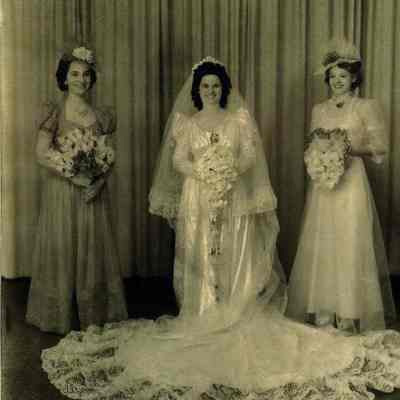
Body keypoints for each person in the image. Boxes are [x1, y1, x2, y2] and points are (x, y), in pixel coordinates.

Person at [40, 57, 399, 400]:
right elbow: (178, 159)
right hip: (198, 197)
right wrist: (202, 170)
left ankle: (236, 307)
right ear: (197, 90)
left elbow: (249, 156)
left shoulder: (238, 119)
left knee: (234, 252)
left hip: (234, 196)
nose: (210, 91)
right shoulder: (186, 122)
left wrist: (228, 169)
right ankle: (203, 310)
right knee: (200, 255)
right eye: (205, 86)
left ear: (223, 89)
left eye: (215, 86)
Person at [287, 39, 396, 333]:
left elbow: (380, 147)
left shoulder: (365, 107)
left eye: (343, 76)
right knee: (324, 241)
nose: (337, 81)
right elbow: (313, 144)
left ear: (353, 78)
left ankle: (348, 315)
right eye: (333, 76)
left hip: (351, 182)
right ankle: (323, 313)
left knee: (350, 242)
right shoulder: (319, 110)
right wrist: (321, 158)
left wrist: (346, 149)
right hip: (324, 184)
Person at [26, 44, 128, 334]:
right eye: (74, 74)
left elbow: (108, 157)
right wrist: (73, 175)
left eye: (86, 74)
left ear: (91, 79)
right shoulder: (54, 112)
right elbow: (41, 153)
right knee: (64, 249)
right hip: (62, 192)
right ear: (64, 78)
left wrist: (99, 183)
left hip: (92, 194)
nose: (81, 80)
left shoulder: (101, 116)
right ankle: (62, 316)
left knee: (91, 253)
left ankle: (93, 314)